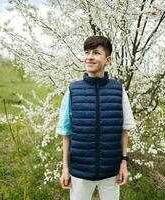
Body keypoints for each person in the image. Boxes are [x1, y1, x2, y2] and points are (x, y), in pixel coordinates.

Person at [56, 35, 135, 200]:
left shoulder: (118, 91)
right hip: (79, 172)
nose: (89, 57)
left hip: (111, 172)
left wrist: (123, 162)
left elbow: (124, 130)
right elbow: (66, 132)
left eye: (96, 52)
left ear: (108, 59)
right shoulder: (73, 91)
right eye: (87, 52)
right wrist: (65, 168)